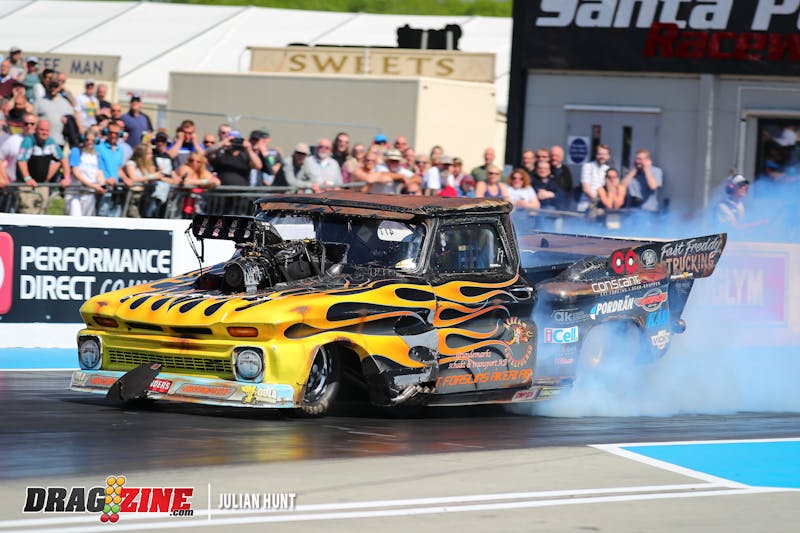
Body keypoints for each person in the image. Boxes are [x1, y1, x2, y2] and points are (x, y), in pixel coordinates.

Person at [16, 119, 70, 214]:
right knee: (28, 212)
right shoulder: (28, 141)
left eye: (47, 130)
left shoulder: (51, 142)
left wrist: (66, 178)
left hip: (42, 185)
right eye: (41, 130)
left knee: (43, 212)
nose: (44, 133)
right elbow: (21, 161)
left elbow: (63, 159)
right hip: (27, 186)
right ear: (36, 129)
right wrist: (28, 178)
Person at [66, 128, 106, 216]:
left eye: (92, 140)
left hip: (89, 193)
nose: (89, 142)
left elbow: (100, 173)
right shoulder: (77, 151)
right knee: (75, 217)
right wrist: (93, 186)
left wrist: (101, 185)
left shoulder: (97, 155)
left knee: (87, 219)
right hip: (75, 192)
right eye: (87, 140)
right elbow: (76, 172)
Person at [34, 79, 75, 148]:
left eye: (55, 86)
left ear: (59, 88)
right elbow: (33, 118)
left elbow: (72, 118)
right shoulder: (39, 101)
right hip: (42, 141)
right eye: (51, 86)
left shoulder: (65, 103)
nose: (53, 88)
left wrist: (67, 119)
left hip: (59, 141)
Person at [622, 148, 663, 212]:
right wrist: (633, 171)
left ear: (647, 160)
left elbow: (653, 186)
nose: (637, 161)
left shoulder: (656, 171)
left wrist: (646, 169)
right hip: (630, 210)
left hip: (648, 210)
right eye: (637, 159)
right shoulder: (632, 172)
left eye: (640, 159)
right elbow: (622, 186)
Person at [577, 143, 610, 211]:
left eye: (605, 154)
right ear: (596, 155)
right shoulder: (587, 166)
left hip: (601, 207)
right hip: (586, 206)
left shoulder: (608, 169)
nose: (602, 156)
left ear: (608, 156)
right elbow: (586, 188)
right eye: (600, 154)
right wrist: (598, 201)